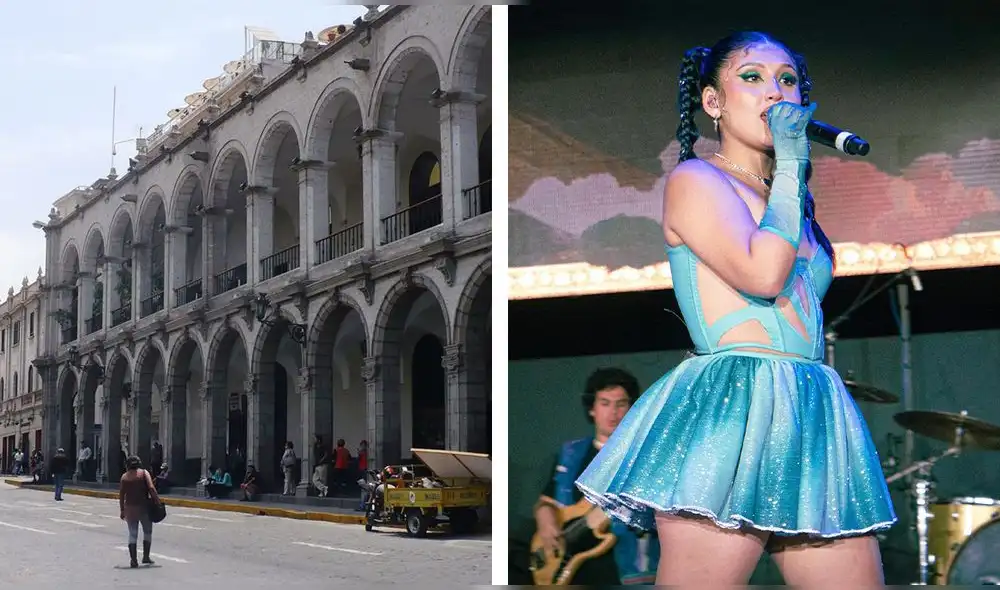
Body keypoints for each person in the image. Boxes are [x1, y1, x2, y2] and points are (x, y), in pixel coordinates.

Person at [574, 31, 897, 587]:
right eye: (752, 77)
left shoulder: (790, 200)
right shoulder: (695, 179)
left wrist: (788, 175)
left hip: (809, 405)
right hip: (731, 405)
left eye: (787, 80)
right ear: (713, 102)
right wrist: (792, 164)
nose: (774, 91)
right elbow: (762, 275)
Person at [534, 368, 659, 585]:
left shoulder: (647, 457)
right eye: (605, 403)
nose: (613, 412)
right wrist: (545, 522)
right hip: (575, 574)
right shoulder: (571, 454)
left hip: (628, 573)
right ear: (592, 408)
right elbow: (546, 502)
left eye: (621, 404)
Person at [119, 455, 161, 568]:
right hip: (144, 508)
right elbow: (151, 488)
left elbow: (122, 495)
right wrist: (157, 501)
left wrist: (122, 510)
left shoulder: (124, 477)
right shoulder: (143, 473)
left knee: (132, 534)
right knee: (147, 531)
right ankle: (146, 556)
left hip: (130, 509)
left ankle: (133, 560)